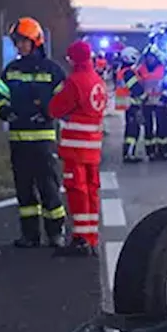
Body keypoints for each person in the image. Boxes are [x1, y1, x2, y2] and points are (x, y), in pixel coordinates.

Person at [0, 17, 68, 249]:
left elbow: (64, 101)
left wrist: (48, 113)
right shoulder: (12, 70)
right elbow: (0, 96)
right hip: (18, 141)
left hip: (43, 141)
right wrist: (6, 112)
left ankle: (55, 233)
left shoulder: (53, 71)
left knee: (49, 188)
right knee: (24, 191)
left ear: (35, 42)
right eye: (17, 42)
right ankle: (30, 235)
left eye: (23, 42)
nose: (19, 46)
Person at [48, 40, 108, 258]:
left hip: (76, 148)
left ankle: (80, 239)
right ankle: (91, 237)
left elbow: (55, 108)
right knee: (91, 191)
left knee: (77, 191)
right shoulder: (98, 81)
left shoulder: (75, 81)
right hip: (93, 147)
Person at [136, 47, 167, 161]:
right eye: (148, 57)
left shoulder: (164, 70)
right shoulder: (140, 70)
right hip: (146, 103)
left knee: (162, 128)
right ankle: (150, 152)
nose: (150, 59)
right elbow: (138, 86)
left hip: (160, 103)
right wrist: (142, 99)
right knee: (148, 128)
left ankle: (162, 151)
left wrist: (165, 98)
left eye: (152, 57)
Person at [115, 47, 146, 162]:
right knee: (133, 130)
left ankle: (129, 152)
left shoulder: (122, 71)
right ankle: (129, 153)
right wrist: (144, 97)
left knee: (131, 128)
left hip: (127, 104)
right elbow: (135, 88)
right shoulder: (128, 72)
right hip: (131, 104)